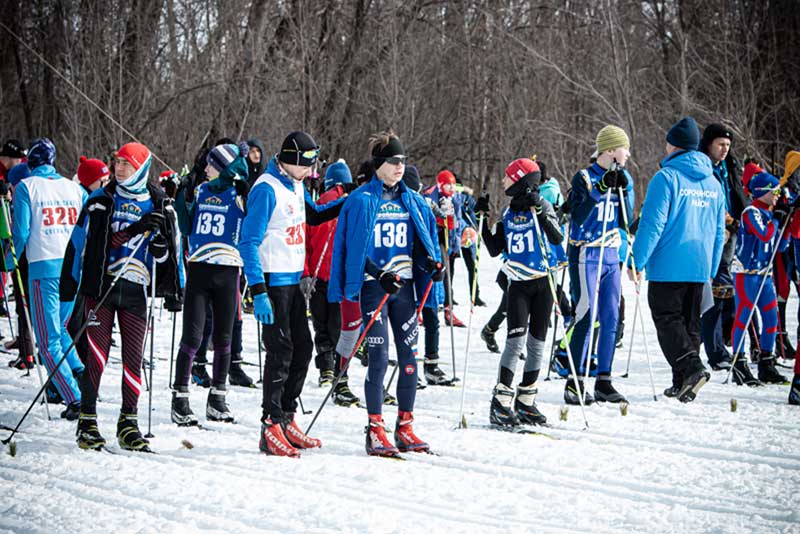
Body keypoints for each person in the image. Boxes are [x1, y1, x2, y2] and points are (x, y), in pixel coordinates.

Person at [328, 131, 444, 457]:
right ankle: (375, 428)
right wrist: (379, 274)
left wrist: (432, 265)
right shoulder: (362, 200)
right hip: (373, 287)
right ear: (379, 164)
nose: (399, 166)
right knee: (378, 358)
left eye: (403, 161)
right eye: (393, 161)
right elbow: (353, 250)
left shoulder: (413, 200)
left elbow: (421, 245)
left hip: (404, 289)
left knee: (409, 359)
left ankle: (404, 425)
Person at [62, 141, 182, 451]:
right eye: (117, 163)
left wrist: (161, 252)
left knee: (133, 359)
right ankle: (87, 420)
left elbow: (171, 255)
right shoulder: (100, 200)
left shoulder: (160, 203)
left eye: (127, 164)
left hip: (136, 290)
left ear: (141, 167)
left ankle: (128, 423)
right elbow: (81, 243)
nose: (119, 168)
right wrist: (69, 282)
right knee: (96, 357)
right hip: (102, 288)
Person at [238, 131, 345, 458]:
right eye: (308, 164)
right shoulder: (266, 189)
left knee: (304, 347)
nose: (313, 171)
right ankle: (270, 424)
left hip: (294, 281)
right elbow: (247, 242)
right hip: (272, 282)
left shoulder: (296, 183)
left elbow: (313, 214)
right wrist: (257, 292)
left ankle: (286, 416)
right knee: (281, 350)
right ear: (292, 160)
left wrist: (349, 199)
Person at [631, 117, 725, 402]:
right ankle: (682, 381)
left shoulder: (666, 178)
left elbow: (652, 224)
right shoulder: (713, 183)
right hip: (698, 266)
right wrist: (712, 266)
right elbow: (719, 231)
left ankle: (692, 368)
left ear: (673, 145)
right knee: (689, 323)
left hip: (668, 266)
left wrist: (637, 261)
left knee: (667, 320)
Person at [475, 158, 562, 426]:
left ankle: (526, 401)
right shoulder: (507, 212)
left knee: (537, 346)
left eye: (508, 177)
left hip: (543, 283)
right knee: (515, 344)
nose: (503, 182)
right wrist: (481, 218)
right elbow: (494, 248)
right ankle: (501, 402)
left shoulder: (543, 205)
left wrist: (540, 211)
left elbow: (557, 238)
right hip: (519, 286)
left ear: (522, 180)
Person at [171, 143, 250, 426]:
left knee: (224, 338)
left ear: (224, 168)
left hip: (229, 272)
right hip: (200, 271)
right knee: (192, 337)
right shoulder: (202, 190)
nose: (205, 170)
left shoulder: (241, 193)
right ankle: (180, 396)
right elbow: (186, 224)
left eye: (210, 165)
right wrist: (181, 195)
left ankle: (218, 397)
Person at [13, 138, 86, 419]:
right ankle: (79, 372)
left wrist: (9, 262)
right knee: (60, 328)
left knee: (47, 339)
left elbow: (20, 233)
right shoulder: (74, 187)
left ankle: (74, 398)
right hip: (71, 268)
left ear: (31, 162)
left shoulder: (26, 187)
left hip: (44, 267)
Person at [565, 126, 633, 405]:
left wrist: (624, 191)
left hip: (610, 255)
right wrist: (601, 189)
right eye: (623, 148)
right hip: (586, 253)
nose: (628, 154)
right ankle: (575, 380)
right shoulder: (584, 177)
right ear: (609, 151)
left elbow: (627, 219)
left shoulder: (623, 176)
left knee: (610, 316)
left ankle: (604, 380)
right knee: (585, 313)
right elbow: (578, 217)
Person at [730, 164, 799, 385]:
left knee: (771, 318)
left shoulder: (768, 213)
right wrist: (777, 220)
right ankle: (739, 363)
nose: (778, 196)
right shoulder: (751, 212)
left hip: (764, 274)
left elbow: (779, 246)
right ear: (763, 191)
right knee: (745, 315)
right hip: (747, 274)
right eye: (775, 191)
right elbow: (764, 234)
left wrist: (786, 226)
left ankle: (766, 363)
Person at [303, 159, 360, 406]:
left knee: (321, 325)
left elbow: (306, 241)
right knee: (339, 328)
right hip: (340, 278)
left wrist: (305, 272)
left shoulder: (316, 204)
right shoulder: (347, 204)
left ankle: (325, 366)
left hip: (317, 276)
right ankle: (338, 372)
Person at [699, 124, 747, 370]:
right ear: (708, 144)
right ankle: (715, 350)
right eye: (720, 144)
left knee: (727, 293)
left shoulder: (729, 167)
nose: (724, 149)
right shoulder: (702, 168)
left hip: (732, 234)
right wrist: (726, 219)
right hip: (710, 235)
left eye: (728, 145)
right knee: (715, 293)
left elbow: (737, 195)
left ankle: (720, 344)